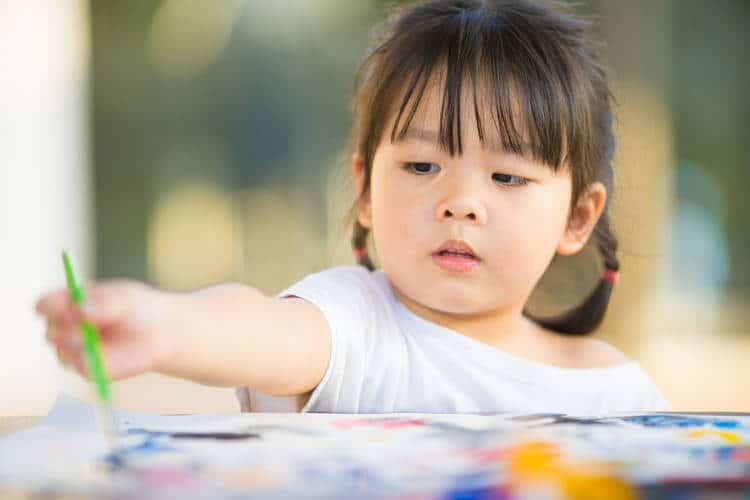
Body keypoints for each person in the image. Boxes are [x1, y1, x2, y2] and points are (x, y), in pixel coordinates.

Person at [36, 0, 670, 415]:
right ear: (365, 190)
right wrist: (166, 325)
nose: (460, 204)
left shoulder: (617, 393)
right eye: (422, 166)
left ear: (577, 218)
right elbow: (263, 329)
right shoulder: (359, 326)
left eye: (507, 176)